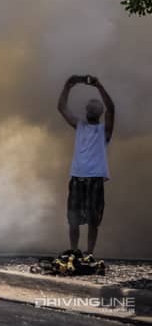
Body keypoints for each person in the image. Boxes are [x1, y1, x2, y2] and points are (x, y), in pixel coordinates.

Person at [57, 74, 115, 257]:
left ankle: (89, 253)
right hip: (77, 177)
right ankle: (74, 251)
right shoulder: (80, 126)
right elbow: (62, 108)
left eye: (95, 106)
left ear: (98, 112)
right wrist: (68, 84)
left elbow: (112, 109)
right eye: (90, 105)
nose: (91, 107)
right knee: (73, 218)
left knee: (93, 219)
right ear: (87, 110)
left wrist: (99, 85)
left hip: (95, 178)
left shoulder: (103, 131)